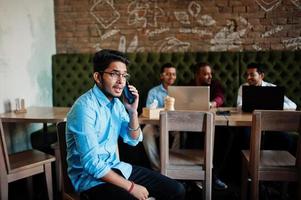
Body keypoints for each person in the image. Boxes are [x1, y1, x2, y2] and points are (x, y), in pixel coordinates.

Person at [66, 49, 185, 200]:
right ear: (97, 77)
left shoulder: (117, 104)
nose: (121, 81)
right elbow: (92, 164)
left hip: (117, 168)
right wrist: (131, 187)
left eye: (124, 75)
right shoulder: (84, 108)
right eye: (114, 74)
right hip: (90, 180)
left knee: (177, 190)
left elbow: (133, 139)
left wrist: (133, 111)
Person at [237, 63, 297, 150]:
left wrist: (273, 105)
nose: (248, 78)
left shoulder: (272, 88)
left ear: (261, 76)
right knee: (244, 137)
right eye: (247, 75)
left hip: (270, 124)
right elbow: (239, 106)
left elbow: (293, 105)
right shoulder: (243, 87)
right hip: (250, 123)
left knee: (287, 140)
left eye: (252, 75)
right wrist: (262, 104)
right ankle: (249, 162)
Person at [189, 62, 228, 190]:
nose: (209, 76)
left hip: (213, 121)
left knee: (227, 134)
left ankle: (213, 175)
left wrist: (212, 103)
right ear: (198, 75)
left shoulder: (215, 84)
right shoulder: (189, 85)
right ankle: (193, 177)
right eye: (205, 74)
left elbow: (220, 98)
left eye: (210, 73)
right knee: (193, 134)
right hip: (193, 121)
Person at [142, 63, 177, 170]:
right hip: (156, 125)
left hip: (174, 125)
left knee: (181, 132)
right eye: (168, 74)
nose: (171, 77)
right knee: (146, 131)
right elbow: (149, 112)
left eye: (173, 74)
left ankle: (172, 164)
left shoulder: (180, 92)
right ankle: (157, 168)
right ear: (162, 76)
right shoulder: (153, 92)